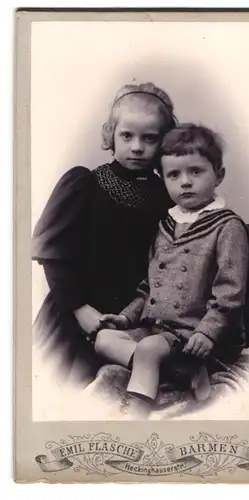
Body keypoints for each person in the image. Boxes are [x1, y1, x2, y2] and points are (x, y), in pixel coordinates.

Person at [94, 123, 249, 419]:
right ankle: (183, 373)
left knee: (150, 348)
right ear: (163, 179)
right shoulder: (166, 226)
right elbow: (148, 286)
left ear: (218, 175)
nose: (185, 182)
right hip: (158, 330)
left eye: (196, 171)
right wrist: (126, 317)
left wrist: (207, 333)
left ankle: (135, 418)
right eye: (174, 175)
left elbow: (231, 293)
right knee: (104, 339)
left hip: (197, 336)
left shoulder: (227, 227)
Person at [32, 82, 177, 386]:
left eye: (149, 139)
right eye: (127, 135)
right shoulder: (86, 184)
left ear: (163, 142)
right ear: (110, 134)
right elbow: (55, 256)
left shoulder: (166, 197)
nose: (137, 146)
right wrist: (79, 309)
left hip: (135, 316)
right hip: (78, 310)